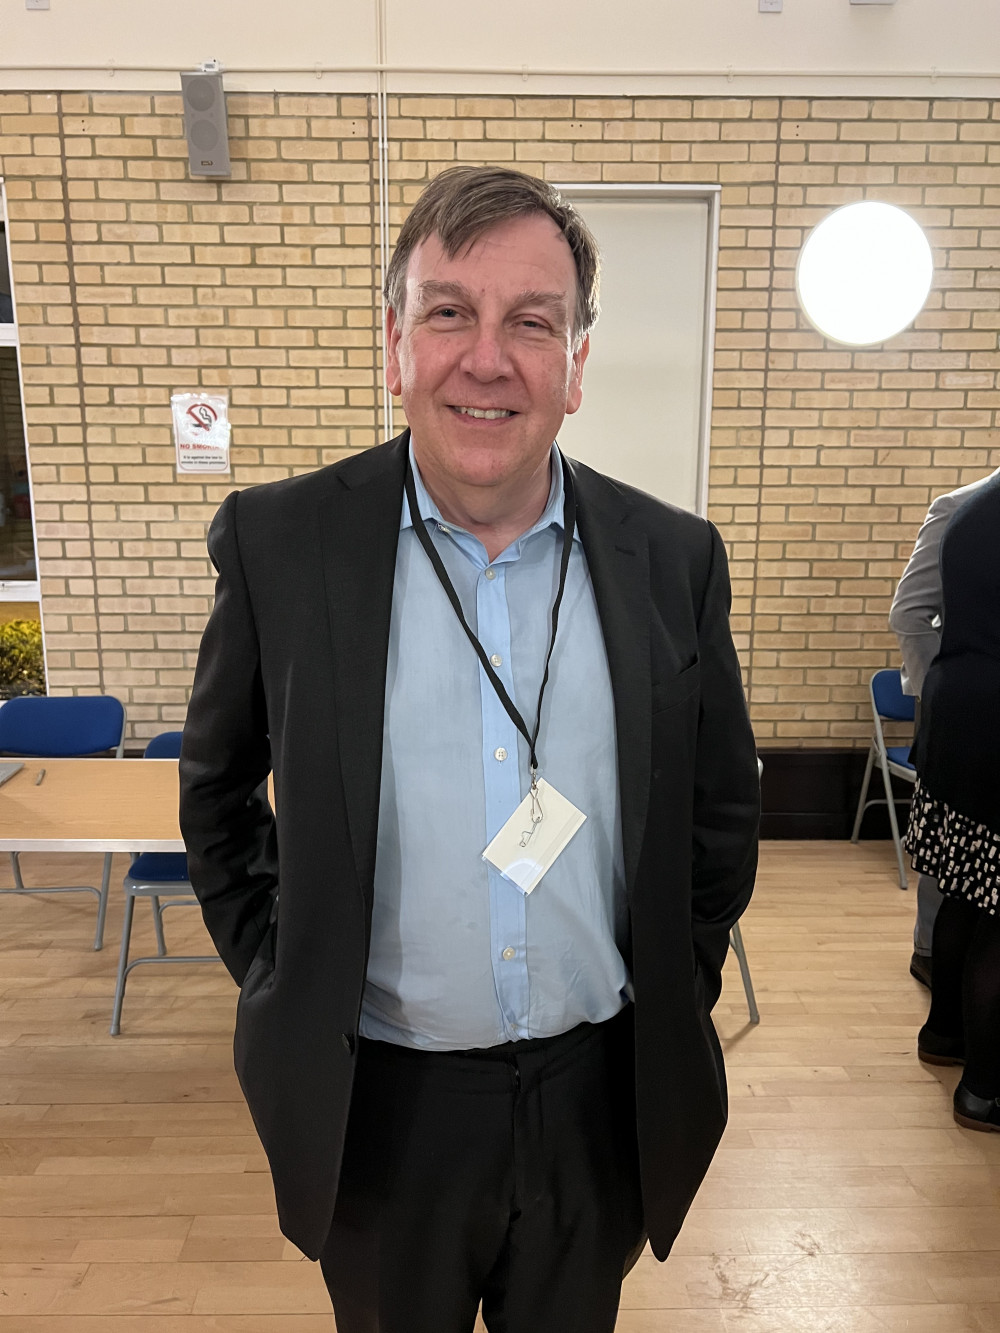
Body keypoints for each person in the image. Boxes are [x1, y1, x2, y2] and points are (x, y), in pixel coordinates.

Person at [179, 166, 760, 1331]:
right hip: (379, 1112)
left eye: (530, 323)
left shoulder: (671, 560)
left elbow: (716, 815)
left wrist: (666, 992)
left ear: (576, 363)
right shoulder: (282, 545)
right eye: (449, 312)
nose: (486, 358)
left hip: (598, 1106)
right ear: (397, 342)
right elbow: (218, 790)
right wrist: (284, 973)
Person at [904, 473, 1000, 1132]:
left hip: (957, 715)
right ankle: (987, 1087)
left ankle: (945, 1032)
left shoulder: (972, 509)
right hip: (993, 725)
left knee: (963, 891)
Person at [890, 463, 1000, 988]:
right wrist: (943, 688)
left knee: (963, 859)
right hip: (965, 707)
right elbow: (910, 614)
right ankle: (928, 954)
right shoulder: (961, 504)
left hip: (963, 702)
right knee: (957, 854)